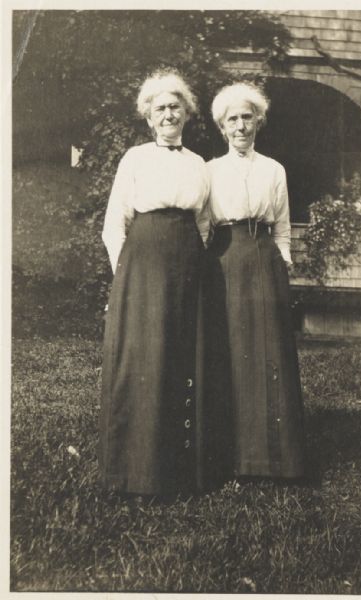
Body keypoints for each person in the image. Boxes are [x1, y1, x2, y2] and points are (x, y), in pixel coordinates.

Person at [99, 70, 210, 497]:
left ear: (187, 113)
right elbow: (114, 226)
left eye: (175, 106)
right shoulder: (134, 159)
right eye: (160, 108)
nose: (168, 114)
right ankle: (134, 472)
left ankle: (179, 470)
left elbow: (204, 224)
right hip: (142, 266)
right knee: (142, 360)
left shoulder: (198, 164)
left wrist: (194, 264)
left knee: (182, 357)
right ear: (148, 117)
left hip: (187, 263)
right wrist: (126, 278)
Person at [203, 82, 305, 486]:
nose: (241, 126)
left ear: (259, 122)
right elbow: (202, 226)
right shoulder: (210, 171)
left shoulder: (273, 169)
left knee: (269, 352)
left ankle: (275, 459)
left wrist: (283, 264)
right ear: (222, 127)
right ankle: (231, 458)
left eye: (248, 117)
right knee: (229, 351)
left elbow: (282, 227)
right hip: (226, 258)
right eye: (233, 119)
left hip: (265, 260)